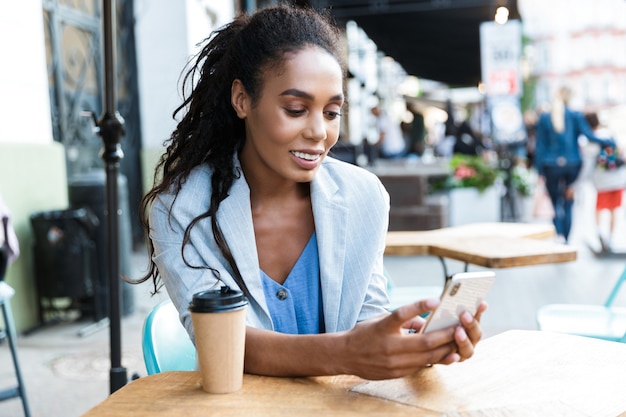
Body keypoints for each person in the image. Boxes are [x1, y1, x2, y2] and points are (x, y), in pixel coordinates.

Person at [136, 5, 486, 380]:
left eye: (332, 112)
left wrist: (410, 345)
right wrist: (347, 353)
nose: (319, 131)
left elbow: (367, 313)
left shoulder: (362, 196)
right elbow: (223, 343)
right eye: (296, 108)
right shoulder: (181, 209)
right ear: (242, 99)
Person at [534, 86, 615, 243]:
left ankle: (559, 234)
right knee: (568, 201)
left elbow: (540, 146)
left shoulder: (545, 117)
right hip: (572, 163)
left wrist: (539, 170)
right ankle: (567, 237)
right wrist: (609, 141)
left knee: (555, 201)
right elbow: (589, 136)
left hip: (550, 165)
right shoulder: (575, 115)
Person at [585, 113, 625, 251]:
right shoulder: (611, 134)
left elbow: (588, 164)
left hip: (602, 181)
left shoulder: (592, 139)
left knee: (599, 208)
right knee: (614, 209)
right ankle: (610, 237)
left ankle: (599, 233)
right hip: (618, 179)